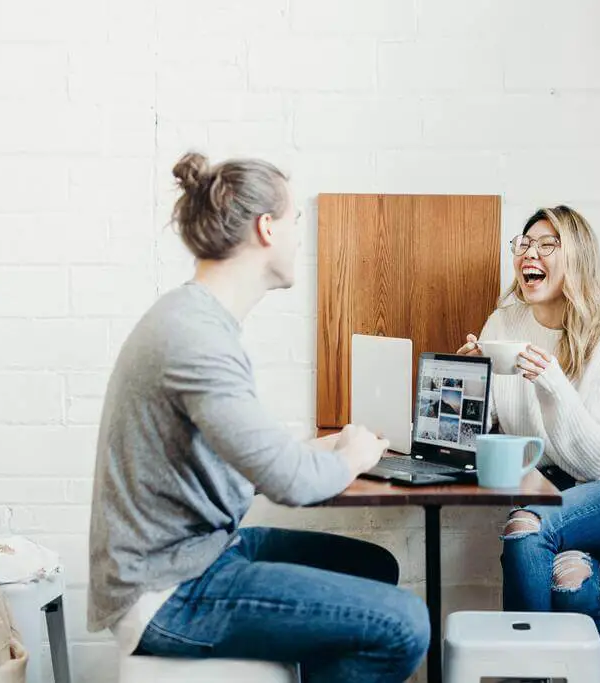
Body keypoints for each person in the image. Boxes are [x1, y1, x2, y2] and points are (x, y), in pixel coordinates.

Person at [87, 152, 429, 683]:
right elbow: (289, 482)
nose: (299, 236)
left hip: (200, 555)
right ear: (266, 228)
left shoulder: (198, 321)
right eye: (295, 222)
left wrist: (329, 448)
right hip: (168, 590)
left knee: (375, 568)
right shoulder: (195, 339)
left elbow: (252, 457)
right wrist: (354, 456)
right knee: (405, 623)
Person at [457, 205, 600, 683]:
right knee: (572, 582)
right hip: (548, 491)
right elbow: (492, 431)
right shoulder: (502, 325)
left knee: (524, 526)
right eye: (525, 243)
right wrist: (471, 384)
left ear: (576, 258)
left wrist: (553, 383)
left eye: (548, 244)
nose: (531, 252)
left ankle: (523, 676)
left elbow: (596, 460)